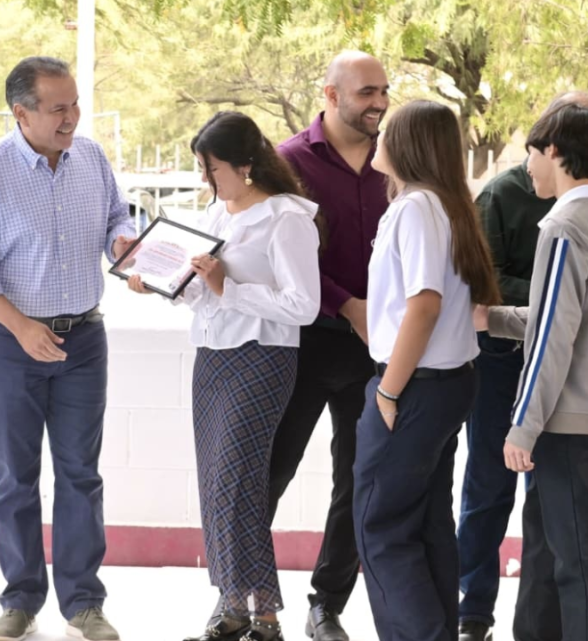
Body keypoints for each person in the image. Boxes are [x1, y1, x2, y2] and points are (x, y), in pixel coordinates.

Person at [0, 56, 135, 641]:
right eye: (58, 108)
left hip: (84, 339)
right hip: (12, 343)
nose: (72, 117)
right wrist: (21, 326)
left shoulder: (93, 160)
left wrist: (124, 245)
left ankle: (83, 603)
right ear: (21, 113)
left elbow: (115, 220)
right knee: (16, 474)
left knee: (81, 474)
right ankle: (21, 599)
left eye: (75, 104)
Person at [127, 112, 320, 641]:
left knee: (238, 482)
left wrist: (225, 289)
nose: (205, 181)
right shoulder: (217, 214)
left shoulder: (286, 218)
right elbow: (200, 294)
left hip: (262, 358)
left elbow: (303, 305)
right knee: (218, 483)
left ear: (246, 165)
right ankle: (239, 609)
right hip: (213, 356)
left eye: (212, 169)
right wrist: (161, 284)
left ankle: (262, 612)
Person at [353, 100, 500, 641]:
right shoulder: (444, 205)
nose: (379, 135)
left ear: (409, 145)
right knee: (426, 521)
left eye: (388, 130)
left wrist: (388, 392)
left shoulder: (417, 208)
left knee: (380, 526)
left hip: (414, 386)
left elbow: (424, 305)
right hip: (445, 384)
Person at [455, 91, 588, 641]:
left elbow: (557, 337)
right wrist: (500, 319)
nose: (526, 166)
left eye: (530, 153)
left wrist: (523, 426)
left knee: (574, 568)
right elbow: (568, 316)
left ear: (553, 151)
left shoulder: (564, 224)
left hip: (568, 427)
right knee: (551, 559)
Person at [269, 50, 390, 641]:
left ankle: (327, 606)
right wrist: (347, 304)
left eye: (384, 91)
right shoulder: (287, 162)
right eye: (367, 92)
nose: (380, 103)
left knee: (359, 478)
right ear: (332, 94)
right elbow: (279, 259)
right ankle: (245, 599)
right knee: (270, 471)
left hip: (378, 349)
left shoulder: (397, 161)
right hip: (304, 344)